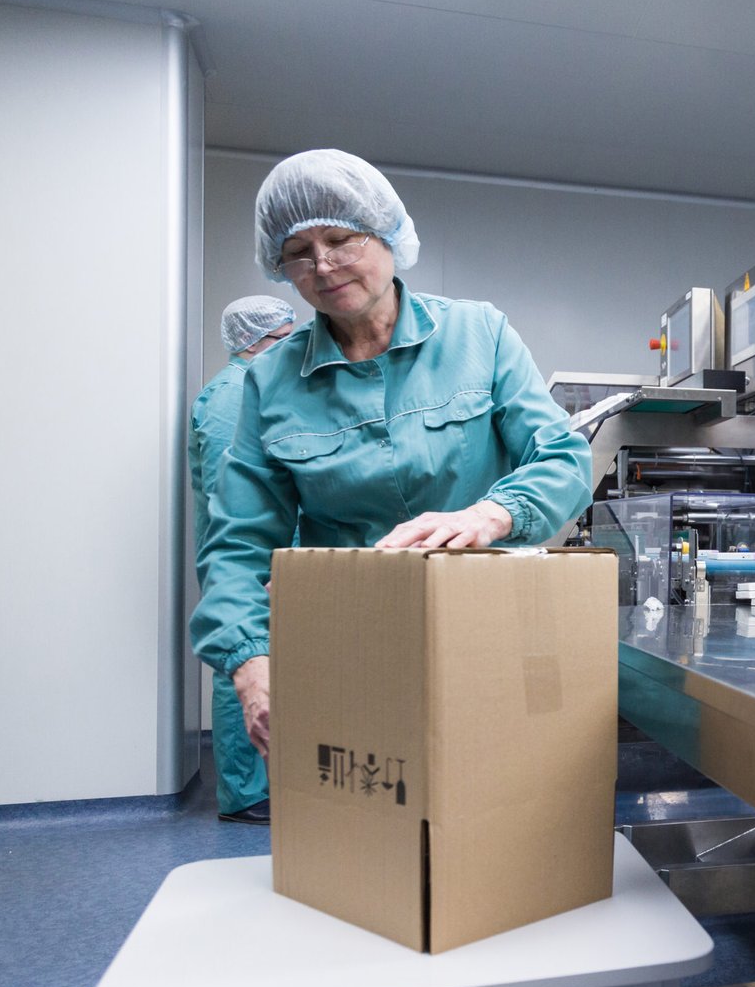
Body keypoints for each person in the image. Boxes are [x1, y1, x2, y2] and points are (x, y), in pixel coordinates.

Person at [190, 149, 593, 763]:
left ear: (385, 233)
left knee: (494, 814)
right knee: (368, 828)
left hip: (485, 630)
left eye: (340, 238)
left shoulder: (478, 334)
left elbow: (562, 456)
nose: (322, 265)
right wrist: (250, 664)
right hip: (352, 643)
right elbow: (237, 541)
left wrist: (488, 516)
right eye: (298, 252)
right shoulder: (271, 381)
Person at [189, 295, 297, 824]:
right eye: (285, 338)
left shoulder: (251, 387)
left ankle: (261, 782)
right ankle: (246, 794)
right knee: (247, 662)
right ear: (255, 341)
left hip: (268, 555)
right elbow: (229, 495)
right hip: (249, 559)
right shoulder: (234, 394)